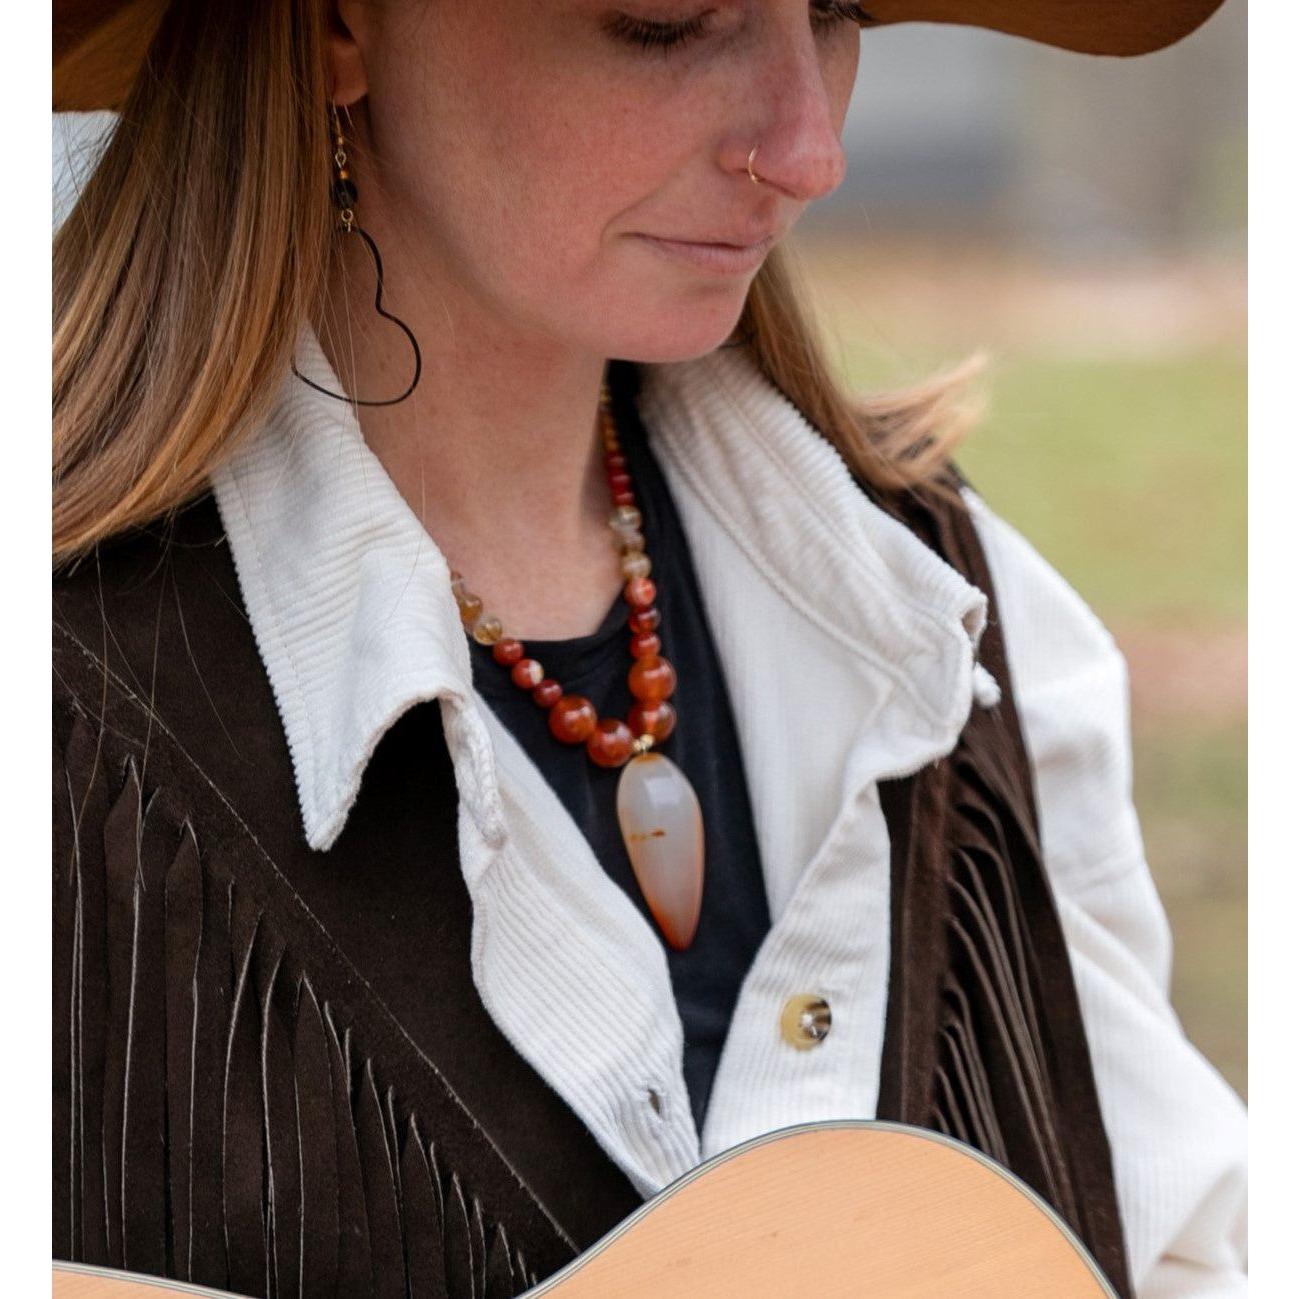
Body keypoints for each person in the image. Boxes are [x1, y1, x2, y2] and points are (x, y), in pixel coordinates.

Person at [52, 2, 1244, 1297]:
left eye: (836, 10)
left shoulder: (957, 615)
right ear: (342, 28)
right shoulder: (63, 718)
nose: (808, 148)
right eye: (670, 22)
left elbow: (1187, 1252)